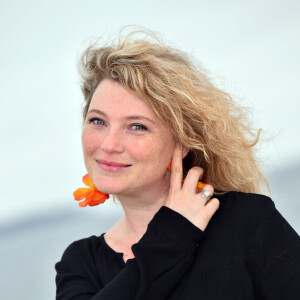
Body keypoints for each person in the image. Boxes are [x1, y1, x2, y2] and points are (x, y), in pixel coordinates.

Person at [55, 29, 300, 299]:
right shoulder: (80, 264)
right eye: (98, 121)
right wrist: (173, 233)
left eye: (137, 126)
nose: (109, 145)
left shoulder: (247, 221)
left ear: (181, 142)